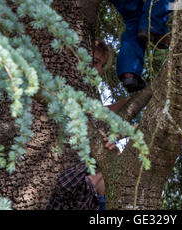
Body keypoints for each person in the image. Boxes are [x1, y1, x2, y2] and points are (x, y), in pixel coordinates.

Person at [45, 41, 128, 210]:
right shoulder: (65, 87)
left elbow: (97, 113)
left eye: (102, 65)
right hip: (77, 188)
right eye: (95, 62)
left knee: (117, 157)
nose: (98, 71)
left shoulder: (89, 94)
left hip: (92, 193)